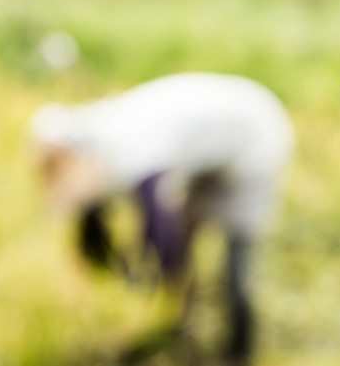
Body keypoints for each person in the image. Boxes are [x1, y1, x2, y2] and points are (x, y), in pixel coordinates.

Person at [30, 73, 294, 363]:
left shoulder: (133, 151)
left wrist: (149, 276)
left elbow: (159, 231)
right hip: (209, 149)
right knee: (186, 235)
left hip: (255, 139)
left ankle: (239, 349)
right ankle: (183, 322)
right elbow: (98, 218)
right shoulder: (98, 134)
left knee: (235, 259)